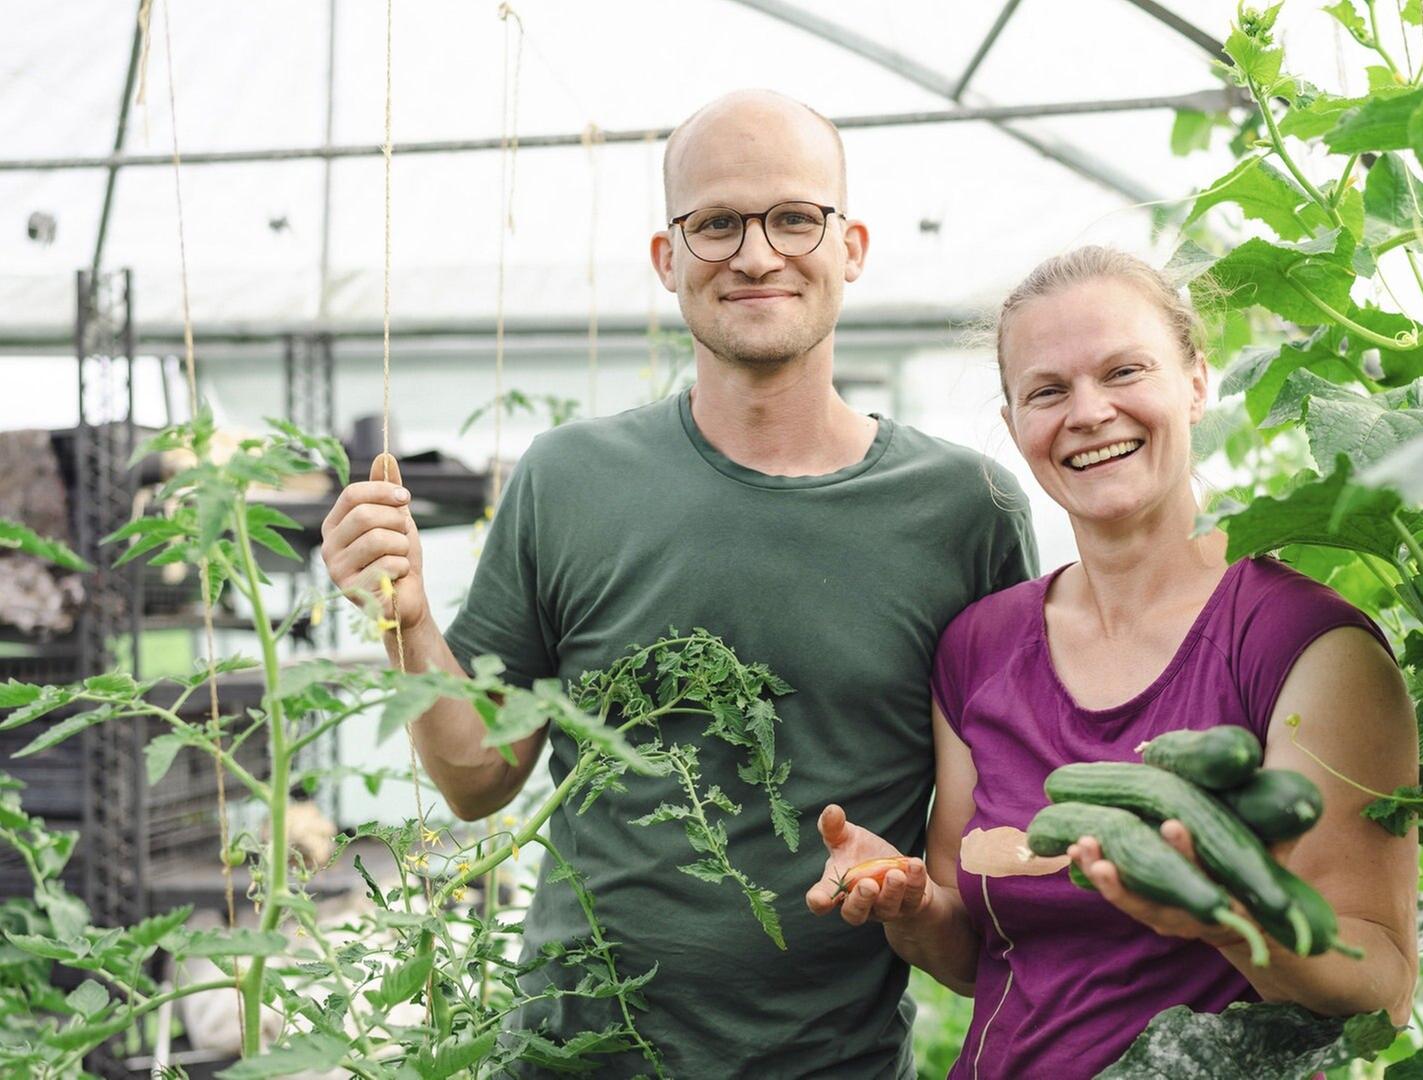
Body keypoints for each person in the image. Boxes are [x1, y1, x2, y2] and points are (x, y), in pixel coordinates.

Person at [319, 90, 1036, 1078]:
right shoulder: (569, 479)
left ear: (853, 245)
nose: (755, 254)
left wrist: (914, 894)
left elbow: (981, 873)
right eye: (716, 223)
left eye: (794, 217)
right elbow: (479, 778)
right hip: (576, 1059)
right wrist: (405, 627)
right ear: (668, 259)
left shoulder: (968, 510)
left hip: (834, 1064)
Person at [806, 247, 1418, 1077]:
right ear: (1017, 420)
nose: (1089, 413)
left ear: (1196, 382)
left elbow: (1381, 981)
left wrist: (1217, 910)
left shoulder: (1305, 644)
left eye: (1124, 371)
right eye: (1048, 391)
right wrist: (906, 903)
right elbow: (972, 950)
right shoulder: (978, 648)